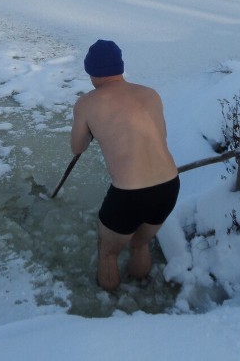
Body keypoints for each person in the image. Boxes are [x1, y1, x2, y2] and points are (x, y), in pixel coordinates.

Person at [70, 39, 180, 291]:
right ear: (120, 68)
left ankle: (109, 305)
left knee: (108, 252)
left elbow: (78, 148)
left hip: (129, 194)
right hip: (168, 186)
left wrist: (90, 129)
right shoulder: (150, 94)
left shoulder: (87, 103)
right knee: (140, 244)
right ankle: (140, 287)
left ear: (91, 72)